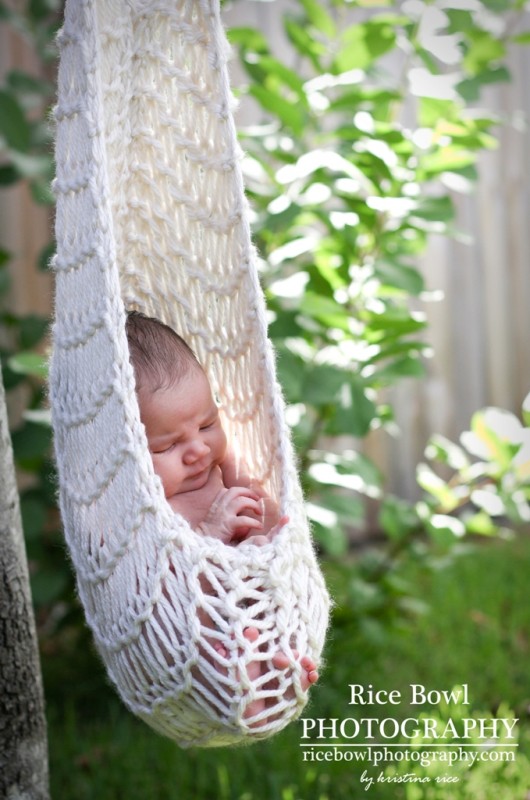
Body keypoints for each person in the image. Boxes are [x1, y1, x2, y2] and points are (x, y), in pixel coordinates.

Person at [125, 311, 318, 722]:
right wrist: (211, 530)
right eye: (167, 446)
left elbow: (262, 507)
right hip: (197, 621)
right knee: (225, 647)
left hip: (251, 598)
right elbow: (164, 577)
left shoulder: (219, 465)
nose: (197, 450)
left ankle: (283, 664)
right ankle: (247, 692)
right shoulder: (147, 505)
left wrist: (273, 535)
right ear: (129, 453)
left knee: (270, 598)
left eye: (208, 424)